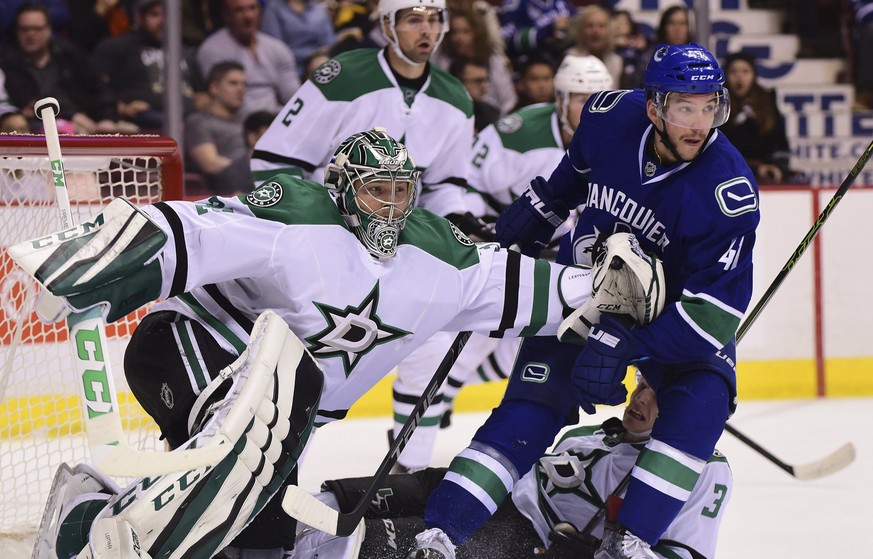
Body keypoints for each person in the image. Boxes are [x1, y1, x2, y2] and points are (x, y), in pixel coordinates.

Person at [11, 128, 663, 559]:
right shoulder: (296, 212)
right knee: (236, 458)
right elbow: (190, 229)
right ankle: (106, 525)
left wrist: (611, 288)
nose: (388, 207)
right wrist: (98, 260)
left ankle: (89, 504)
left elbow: (537, 289)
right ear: (344, 189)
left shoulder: (445, 262)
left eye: (400, 191)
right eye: (375, 190)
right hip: (190, 347)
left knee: (258, 542)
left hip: (279, 415)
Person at [409, 43, 759, 559]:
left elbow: (714, 315)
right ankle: (441, 534)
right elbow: (571, 179)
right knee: (530, 409)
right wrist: (538, 211)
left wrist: (629, 346)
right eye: (686, 107)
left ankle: (629, 544)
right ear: (654, 106)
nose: (700, 124)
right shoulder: (607, 116)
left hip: (676, 315)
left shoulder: (726, 190)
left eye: (711, 107)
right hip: (586, 290)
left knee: (700, 404)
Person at [292, 374, 733, 559]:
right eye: (642, 385)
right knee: (337, 503)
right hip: (488, 491)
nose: (639, 399)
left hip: (522, 536)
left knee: (363, 545)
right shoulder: (593, 434)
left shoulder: (704, 470)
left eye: (658, 395)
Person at [0, 2, 120, 133]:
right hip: (46, 124)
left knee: (128, 134)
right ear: (16, 31)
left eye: (37, 29)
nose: (30, 34)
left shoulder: (67, 52)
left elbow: (98, 85)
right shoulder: (8, 62)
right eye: (25, 29)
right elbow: (30, 99)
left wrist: (107, 117)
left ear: (49, 29)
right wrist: (73, 115)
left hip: (90, 119)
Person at [91, 0, 206, 131]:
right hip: (145, 120)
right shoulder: (117, 47)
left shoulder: (184, 52)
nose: (163, 21)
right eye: (155, 15)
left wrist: (201, 103)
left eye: (168, 15)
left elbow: (203, 93)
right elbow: (94, 87)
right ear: (140, 17)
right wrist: (121, 108)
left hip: (190, 122)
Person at [197, 0, 300, 116]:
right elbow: (222, 100)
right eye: (239, 10)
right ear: (227, 16)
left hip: (277, 118)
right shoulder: (212, 49)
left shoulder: (278, 48)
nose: (248, 16)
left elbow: (292, 95)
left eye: (253, 8)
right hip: (237, 122)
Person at [720, 51, 793, 185]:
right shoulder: (718, 103)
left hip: (767, 174)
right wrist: (754, 169)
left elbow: (781, 144)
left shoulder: (768, 100)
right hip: (728, 174)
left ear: (753, 75)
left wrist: (778, 168)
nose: (739, 77)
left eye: (745, 71)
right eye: (733, 72)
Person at [431, 6, 516, 115]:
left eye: (466, 32)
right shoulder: (442, 57)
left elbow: (508, 100)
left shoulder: (492, 58)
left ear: (477, 33)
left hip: (491, 118)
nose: (459, 38)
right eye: (454, 32)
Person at [184, 60, 248, 195]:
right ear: (214, 88)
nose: (241, 89)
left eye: (244, 84)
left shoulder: (248, 120)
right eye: (233, 83)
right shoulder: (198, 121)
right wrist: (252, 170)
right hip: (227, 189)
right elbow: (210, 163)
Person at [260, 0, 337, 80]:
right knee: (322, 66)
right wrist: (309, 55)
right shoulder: (274, 10)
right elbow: (274, 49)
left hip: (319, 60)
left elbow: (329, 43)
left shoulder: (318, 9)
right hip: (289, 67)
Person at [565, 5, 623, 92]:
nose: (595, 30)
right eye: (590, 26)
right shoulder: (570, 58)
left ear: (610, 31)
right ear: (581, 30)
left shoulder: (616, 61)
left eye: (601, 26)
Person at [447, 57, 500, 132]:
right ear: (458, 82)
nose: (484, 86)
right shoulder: (444, 112)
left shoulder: (490, 114)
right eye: (477, 81)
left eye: (485, 80)